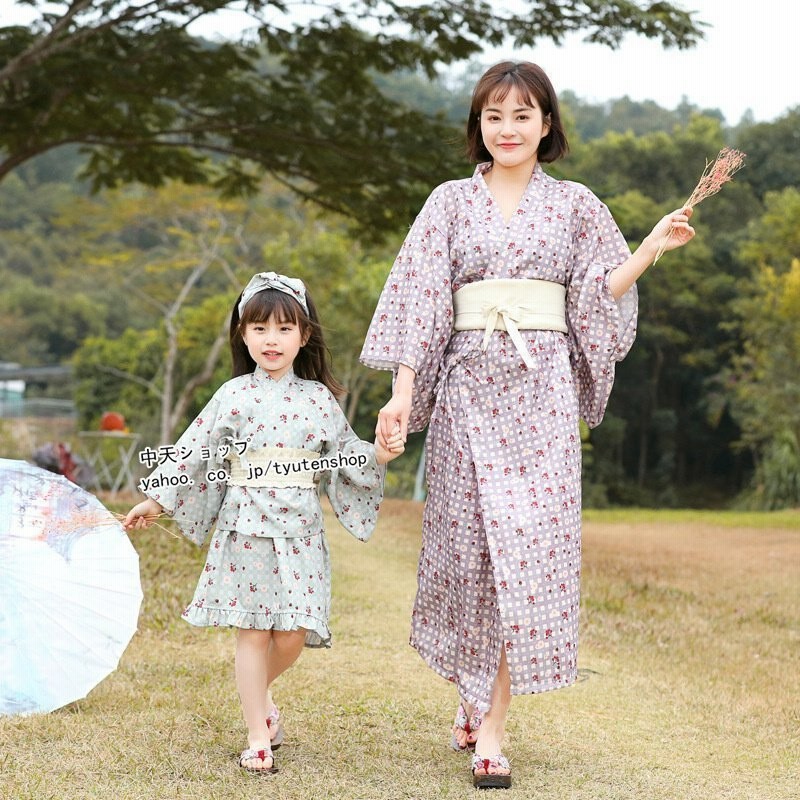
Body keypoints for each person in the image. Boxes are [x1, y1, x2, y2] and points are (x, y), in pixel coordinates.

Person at [360, 61, 695, 789]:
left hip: (540, 400)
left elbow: (597, 292)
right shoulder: (448, 203)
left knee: (528, 551)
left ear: (547, 125)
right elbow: (420, 302)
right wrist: (401, 392)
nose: (507, 129)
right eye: (494, 116)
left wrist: (648, 250)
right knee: (470, 553)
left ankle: (493, 732)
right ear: (478, 126)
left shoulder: (575, 206)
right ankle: (472, 694)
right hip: (466, 392)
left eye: (522, 115)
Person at [125, 271, 404, 774]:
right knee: (252, 633)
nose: (270, 340)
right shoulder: (232, 394)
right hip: (244, 528)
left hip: (300, 531)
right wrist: (157, 501)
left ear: (304, 335)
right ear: (242, 334)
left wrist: (379, 455)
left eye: (282, 329)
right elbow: (193, 451)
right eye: (258, 329)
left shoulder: (319, 399)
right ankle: (257, 732)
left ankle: (260, 693)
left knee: (294, 632)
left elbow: (346, 456)